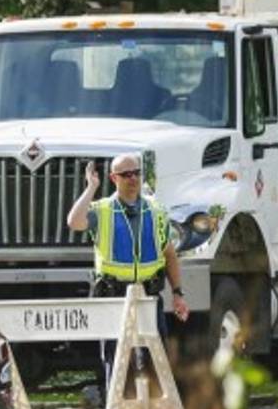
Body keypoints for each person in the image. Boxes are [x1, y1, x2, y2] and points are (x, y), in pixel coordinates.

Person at [66, 154, 188, 392]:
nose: (133, 179)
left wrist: (178, 293)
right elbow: (74, 221)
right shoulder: (101, 210)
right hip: (113, 297)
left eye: (136, 173)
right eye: (126, 175)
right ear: (114, 178)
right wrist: (91, 187)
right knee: (117, 362)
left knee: (156, 363)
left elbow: (170, 255)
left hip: (148, 296)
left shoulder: (155, 210)